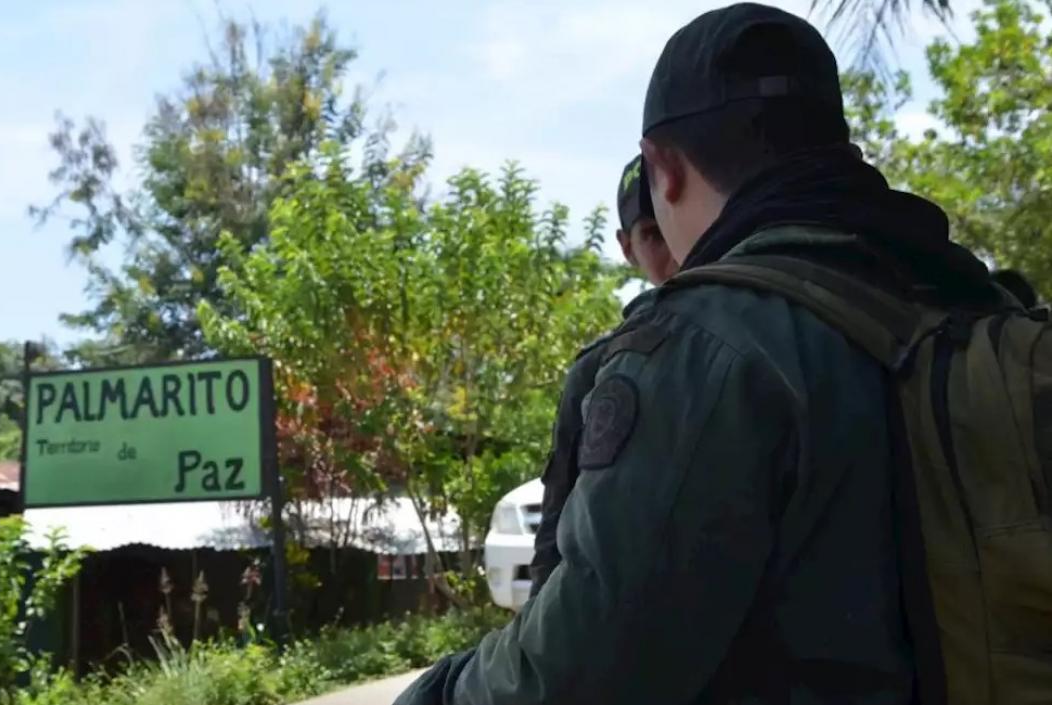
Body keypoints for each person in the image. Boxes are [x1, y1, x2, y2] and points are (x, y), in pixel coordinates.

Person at [396, 4, 1004, 703]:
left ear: (664, 168)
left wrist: (433, 693)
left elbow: (574, 676)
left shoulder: (703, 350)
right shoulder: (977, 303)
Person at [528, 155, 677, 596]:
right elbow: (556, 523)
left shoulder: (761, 339)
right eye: (653, 235)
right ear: (627, 247)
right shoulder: (599, 369)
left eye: (678, 228)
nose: (674, 249)